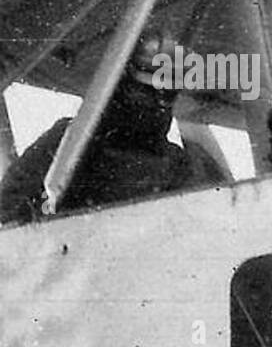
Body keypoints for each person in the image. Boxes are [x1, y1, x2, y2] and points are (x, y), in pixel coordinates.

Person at [0, 34, 225, 225]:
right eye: (143, 89)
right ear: (121, 82)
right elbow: (8, 213)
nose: (154, 101)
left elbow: (199, 229)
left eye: (165, 93)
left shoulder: (177, 164)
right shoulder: (68, 140)